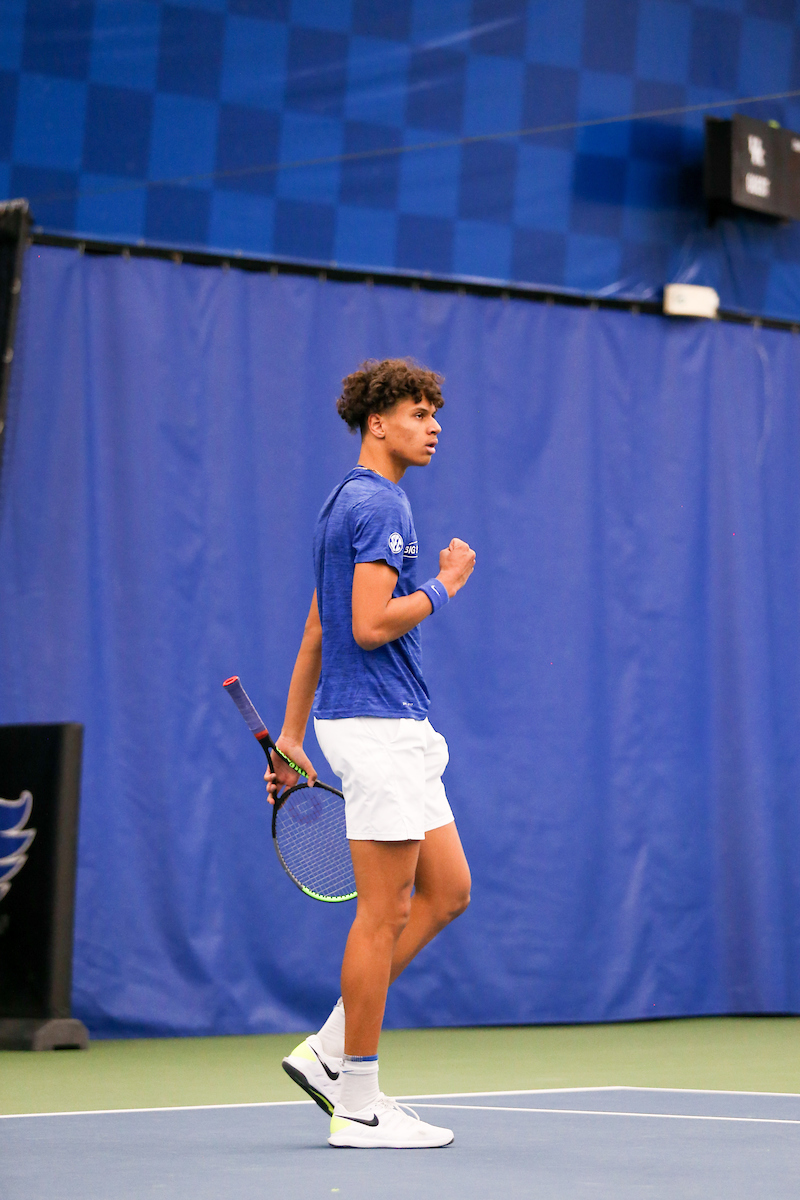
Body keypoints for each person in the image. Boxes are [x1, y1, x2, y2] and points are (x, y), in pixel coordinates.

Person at [266, 358, 476, 1149]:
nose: (434, 426)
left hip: (384, 725)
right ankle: (356, 1101)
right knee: (383, 912)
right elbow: (366, 624)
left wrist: (291, 735)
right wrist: (448, 584)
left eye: (436, 414)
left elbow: (319, 628)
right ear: (377, 422)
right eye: (420, 413)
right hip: (379, 726)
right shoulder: (381, 504)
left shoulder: (340, 503)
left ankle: (326, 1051)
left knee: (447, 890)